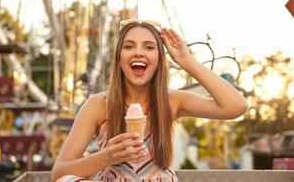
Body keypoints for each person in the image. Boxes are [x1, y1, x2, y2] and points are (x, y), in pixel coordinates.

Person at [51, 20, 248, 182]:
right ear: (119, 57)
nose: (138, 52)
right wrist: (107, 157)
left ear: (159, 59)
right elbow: (59, 174)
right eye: (129, 46)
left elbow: (236, 107)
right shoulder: (99, 104)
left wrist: (186, 60)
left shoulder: (171, 100)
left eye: (149, 47)